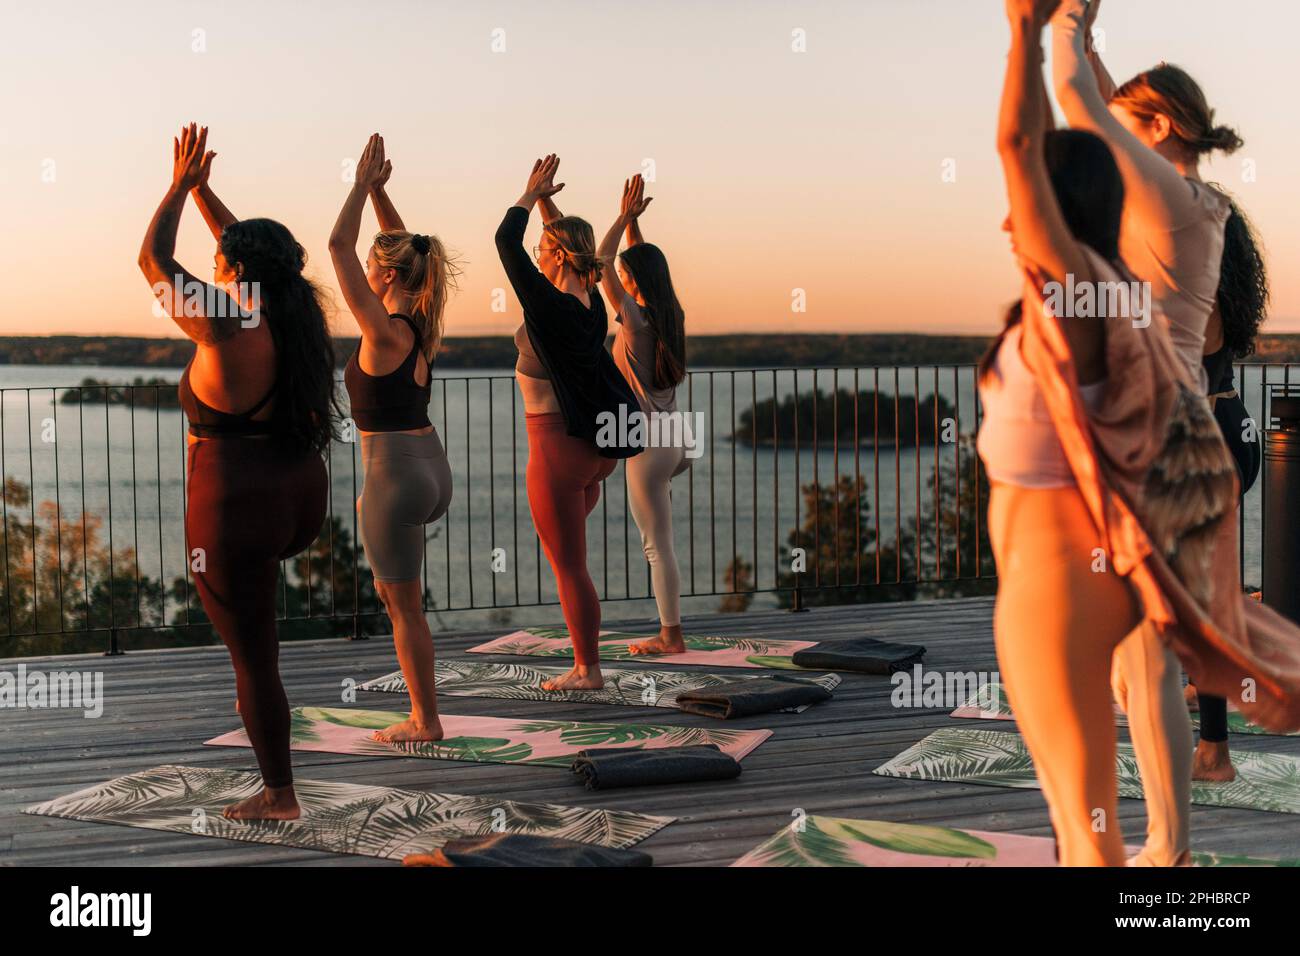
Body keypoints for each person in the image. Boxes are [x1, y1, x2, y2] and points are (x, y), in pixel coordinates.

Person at [1052, 0, 1247, 851]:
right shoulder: (1192, 199)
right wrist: (1091, 40)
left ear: (1158, 126)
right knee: (1137, 657)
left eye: (1131, 124)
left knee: (1139, 657)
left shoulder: (1164, 195)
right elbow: (1093, 92)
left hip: (1154, 433)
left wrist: (1058, 22)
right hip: (1174, 427)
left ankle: (1166, 845)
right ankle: (1166, 839)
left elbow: (1074, 101)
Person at [138, 124, 337, 820]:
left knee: (254, 660)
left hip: (237, 504)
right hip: (299, 494)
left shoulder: (222, 320)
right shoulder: (294, 315)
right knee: (256, 648)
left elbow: (153, 259)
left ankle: (278, 794)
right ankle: (266, 744)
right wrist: (202, 191)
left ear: (229, 270)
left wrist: (173, 188)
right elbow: (253, 251)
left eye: (222, 260)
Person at [495, 155, 643, 690]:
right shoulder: (588, 304)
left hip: (558, 451)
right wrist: (549, 206)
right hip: (593, 451)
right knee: (570, 559)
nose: (536, 253)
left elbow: (505, 243)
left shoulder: (550, 305)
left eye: (545, 249)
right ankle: (586, 662)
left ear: (557, 255)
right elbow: (576, 250)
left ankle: (587, 669)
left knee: (570, 569)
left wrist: (527, 195)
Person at [330, 134, 459, 743]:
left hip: (393, 476)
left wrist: (358, 186)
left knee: (403, 607)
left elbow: (337, 247)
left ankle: (424, 720)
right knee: (396, 593)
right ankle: (422, 711)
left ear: (384, 271)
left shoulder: (381, 333)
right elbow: (410, 253)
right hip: (431, 465)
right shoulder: (420, 322)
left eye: (378, 262)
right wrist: (382, 194)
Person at [596, 175, 692, 655]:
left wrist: (620, 219)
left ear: (633, 281)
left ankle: (670, 635)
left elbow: (602, 262)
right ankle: (669, 630)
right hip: (675, 435)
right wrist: (634, 223)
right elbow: (638, 264)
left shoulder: (633, 320)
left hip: (647, 442)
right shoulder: (668, 312)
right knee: (661, 537)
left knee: (657, 545)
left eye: (626, 275)